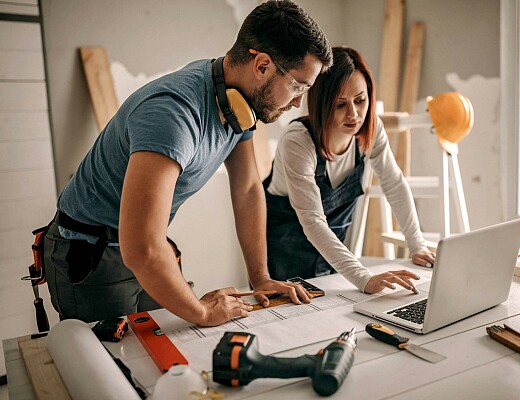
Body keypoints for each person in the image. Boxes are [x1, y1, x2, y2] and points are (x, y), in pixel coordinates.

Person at [43, 0, 332, 326]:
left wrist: (260, 277)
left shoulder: (237, 99)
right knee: (115, 369)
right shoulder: (173, 113)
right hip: (92, 254)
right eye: (297, 86)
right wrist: (203, 312)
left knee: (165, 352)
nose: (297, 102)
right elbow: (141, 248)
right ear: (262, 65)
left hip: (146, 246)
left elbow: (249, 189)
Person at [264, 46, 435, 294]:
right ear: (322, 104)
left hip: (333, 250)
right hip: (286, 247)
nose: (354, 114)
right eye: (340, 104)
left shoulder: (370, 130)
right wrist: (364, 278)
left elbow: (394, 184)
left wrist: (416, 244)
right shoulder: (298, 142)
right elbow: (312, 221)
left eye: (360, 100)